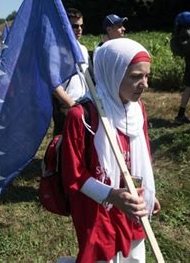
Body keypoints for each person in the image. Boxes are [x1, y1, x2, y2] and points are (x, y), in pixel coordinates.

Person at [61, 38, 160, 262]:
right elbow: (72, 174)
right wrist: (111, 196)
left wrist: (148, 193)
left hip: (132, 203)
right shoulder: (83, 115)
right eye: (135, 76)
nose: (144, 84)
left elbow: (143, 150)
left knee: (133, 255)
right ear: (112, 72)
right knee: (100, 256)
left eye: (146, 76)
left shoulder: (137, 109)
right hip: (97, 207)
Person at [52, 8, 90, 135]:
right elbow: (52, 83)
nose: (79, 29)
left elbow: (87, 76)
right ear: (65, 26)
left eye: (81, 25)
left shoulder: (83, 49)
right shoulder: (55, 50)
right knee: (64, 146)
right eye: (75, 26)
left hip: (84, 103)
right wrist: (70, 104)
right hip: (66, 106)